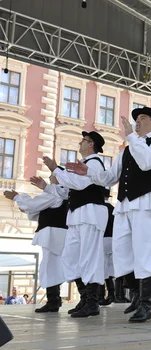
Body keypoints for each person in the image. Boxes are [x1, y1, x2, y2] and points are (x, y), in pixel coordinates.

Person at [67, 107, 151, 323]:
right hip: (125, 205)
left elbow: (148, 163)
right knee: (123, 252)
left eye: (143, 119)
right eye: (137, 119)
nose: (138, 122)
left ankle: (147, 302)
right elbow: (109, 177)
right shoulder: (128, 149)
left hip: (146, 203)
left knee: (145, 252)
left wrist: (132, 138)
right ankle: (135, 296)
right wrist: (89, 172)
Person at [43, 131, 108, 318]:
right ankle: (85, 298)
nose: (81, 142)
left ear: (91, 144)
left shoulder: (94, 163)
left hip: (90, 213)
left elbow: (79, 185)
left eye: (84, 140)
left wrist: (56, 169)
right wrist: (48, 185)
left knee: (89, 257)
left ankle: (92, 302)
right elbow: (67, 192)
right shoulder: (84, 165)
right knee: (71, 258)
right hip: (77, 215)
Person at [3, 174, 68, 312]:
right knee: (53, 267)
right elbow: (38, 212)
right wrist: (26, 207)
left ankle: (54, 300)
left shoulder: (55, 192)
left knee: (50, 266)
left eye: (53, 177)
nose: (51, 179)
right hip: (56, 234)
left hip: (53, 234)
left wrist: (17, 196)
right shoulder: (59, 194)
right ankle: (54, 300)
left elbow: (33, 204)